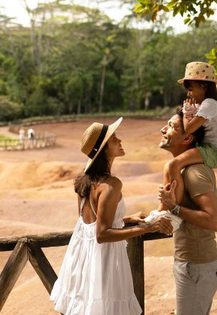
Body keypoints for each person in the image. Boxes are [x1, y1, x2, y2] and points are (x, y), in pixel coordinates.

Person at [50, 118, 173, 315]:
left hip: (82, 257)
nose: (120, 140)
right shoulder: (111, 184)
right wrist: (146, 228)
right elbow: (102, 234)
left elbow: (91, 223)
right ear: (104, 149)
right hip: (103, 259)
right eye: (114, 138)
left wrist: (125, 219)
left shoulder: (85, 179)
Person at [157, 108, 217, 315]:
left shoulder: (195, 172)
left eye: (171, 126)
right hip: (191, 264)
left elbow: (214, 222)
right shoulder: (183, 170)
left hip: (198, 266)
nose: (163, 129)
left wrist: (175, 207)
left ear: (187, 138)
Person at [162, 61, 217, 207]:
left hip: (216, 152)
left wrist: (187, 112)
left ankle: (174, 203)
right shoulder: (206, 104)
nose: (189, 93)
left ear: (204, 86)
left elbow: (188, 129)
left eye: (191, 89)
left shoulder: (210, 104)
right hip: (212, 150)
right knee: (174, 164)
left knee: (174, 164)